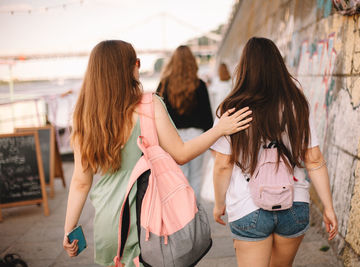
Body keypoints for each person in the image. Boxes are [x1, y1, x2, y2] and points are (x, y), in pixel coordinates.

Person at [62, 40, 252, 267]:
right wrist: (220, 129)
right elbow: (181, 153)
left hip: (109, 223)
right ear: (129, 68)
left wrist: (69, 229)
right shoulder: (149, 105)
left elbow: (81, 183)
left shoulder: (83, 117)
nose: (139, 68)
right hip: (149, 221)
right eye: (137, 63)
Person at [211, 37, 338, 267]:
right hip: (294, 203)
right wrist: (328, 207)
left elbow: (222, 164)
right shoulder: (296, 104)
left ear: (244, 68)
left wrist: (219, 203)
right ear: (278, 65)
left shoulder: (232, 108)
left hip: (249, 206)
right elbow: (314, 159)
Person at [157, 45, 214, 198]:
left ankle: (182, 214)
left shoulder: (164, 85)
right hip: (197, 136)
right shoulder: (200, 85)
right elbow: (207, 117)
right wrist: (212, 143)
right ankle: (194, 214)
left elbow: (158, 113)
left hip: (173, 136)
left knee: (179, 177)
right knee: (196, 177)